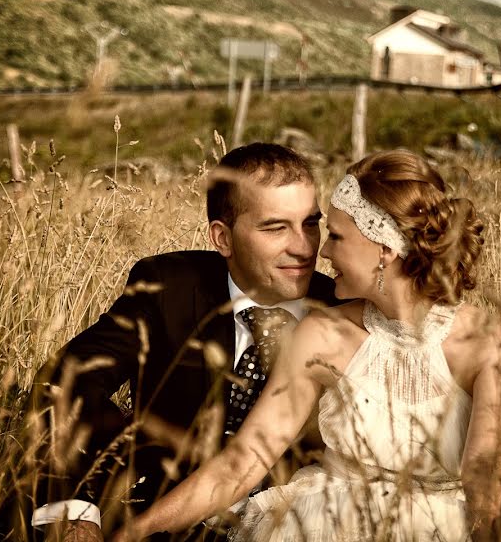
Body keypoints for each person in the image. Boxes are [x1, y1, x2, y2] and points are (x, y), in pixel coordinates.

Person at [110, 149, 501, 542]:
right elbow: (240, 465)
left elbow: (487, 485)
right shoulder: (321, 334)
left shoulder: (490, 342)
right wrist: (131, 534)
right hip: (323, 518)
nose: (320, 251)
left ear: (384, 249)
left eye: (337, 237)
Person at [29, 143, 339, 541]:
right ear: (222, 238)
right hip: (157, 511)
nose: (304, 247)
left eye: (311, 223)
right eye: (275, 227)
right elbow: (67, 379)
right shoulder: (169, 287)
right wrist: (76, 514)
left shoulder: (340, 307)